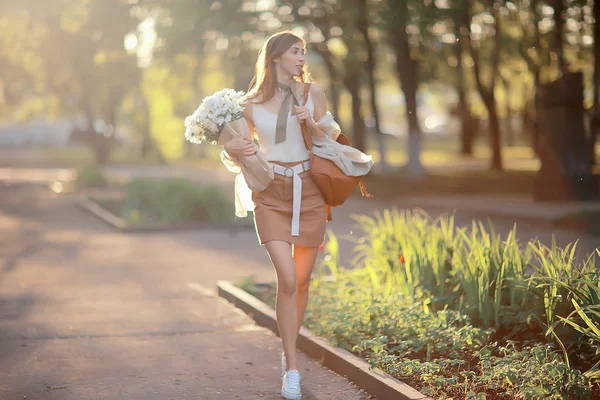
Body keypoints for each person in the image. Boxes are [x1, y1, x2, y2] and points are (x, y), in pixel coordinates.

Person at [222, 31, 331, 400]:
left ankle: (288, 357)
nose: (302, 57)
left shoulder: (311, 93)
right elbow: (237, 152)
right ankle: (292, 369)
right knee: (286, 278)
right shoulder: (249, 103)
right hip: (270, 195)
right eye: (295, 51)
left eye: (303, 51)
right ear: (275, 58)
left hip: (310, 193)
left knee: (301, 283)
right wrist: (232, 149)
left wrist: (310, 123)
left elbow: (330, 143)